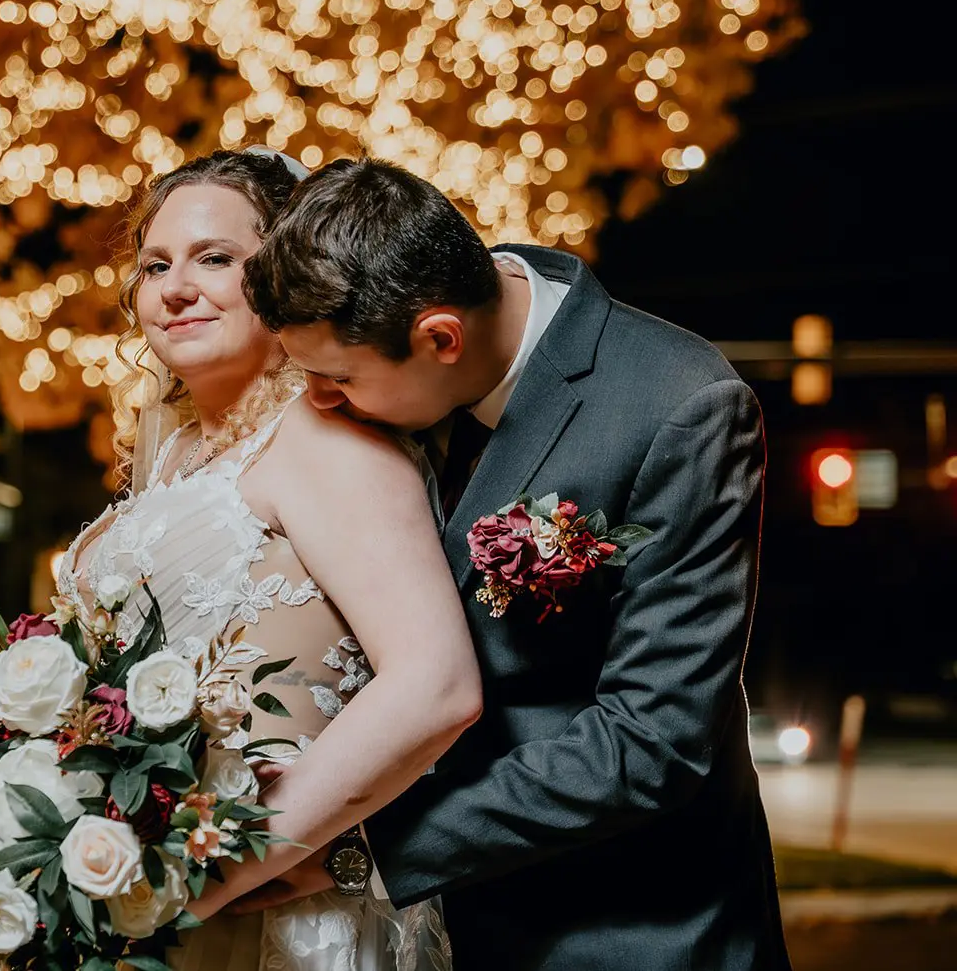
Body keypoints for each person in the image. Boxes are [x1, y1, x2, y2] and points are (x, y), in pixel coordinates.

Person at [233, 156, 786, 971]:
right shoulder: (397, 365)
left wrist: (365, 849)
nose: (317, 399)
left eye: (336, 377)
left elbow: (654, 738)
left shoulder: (681, 404)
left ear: (439, 337)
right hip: (440, 938)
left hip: (626, 930)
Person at [54, 149, 479, 971]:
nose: (175, 287)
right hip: (156, 896)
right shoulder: (170, 452)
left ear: (282, 278)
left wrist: (213, 873)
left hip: (286, 909)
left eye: (215, 258)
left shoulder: (327, 440)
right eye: (155, 264)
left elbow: (435, 684)